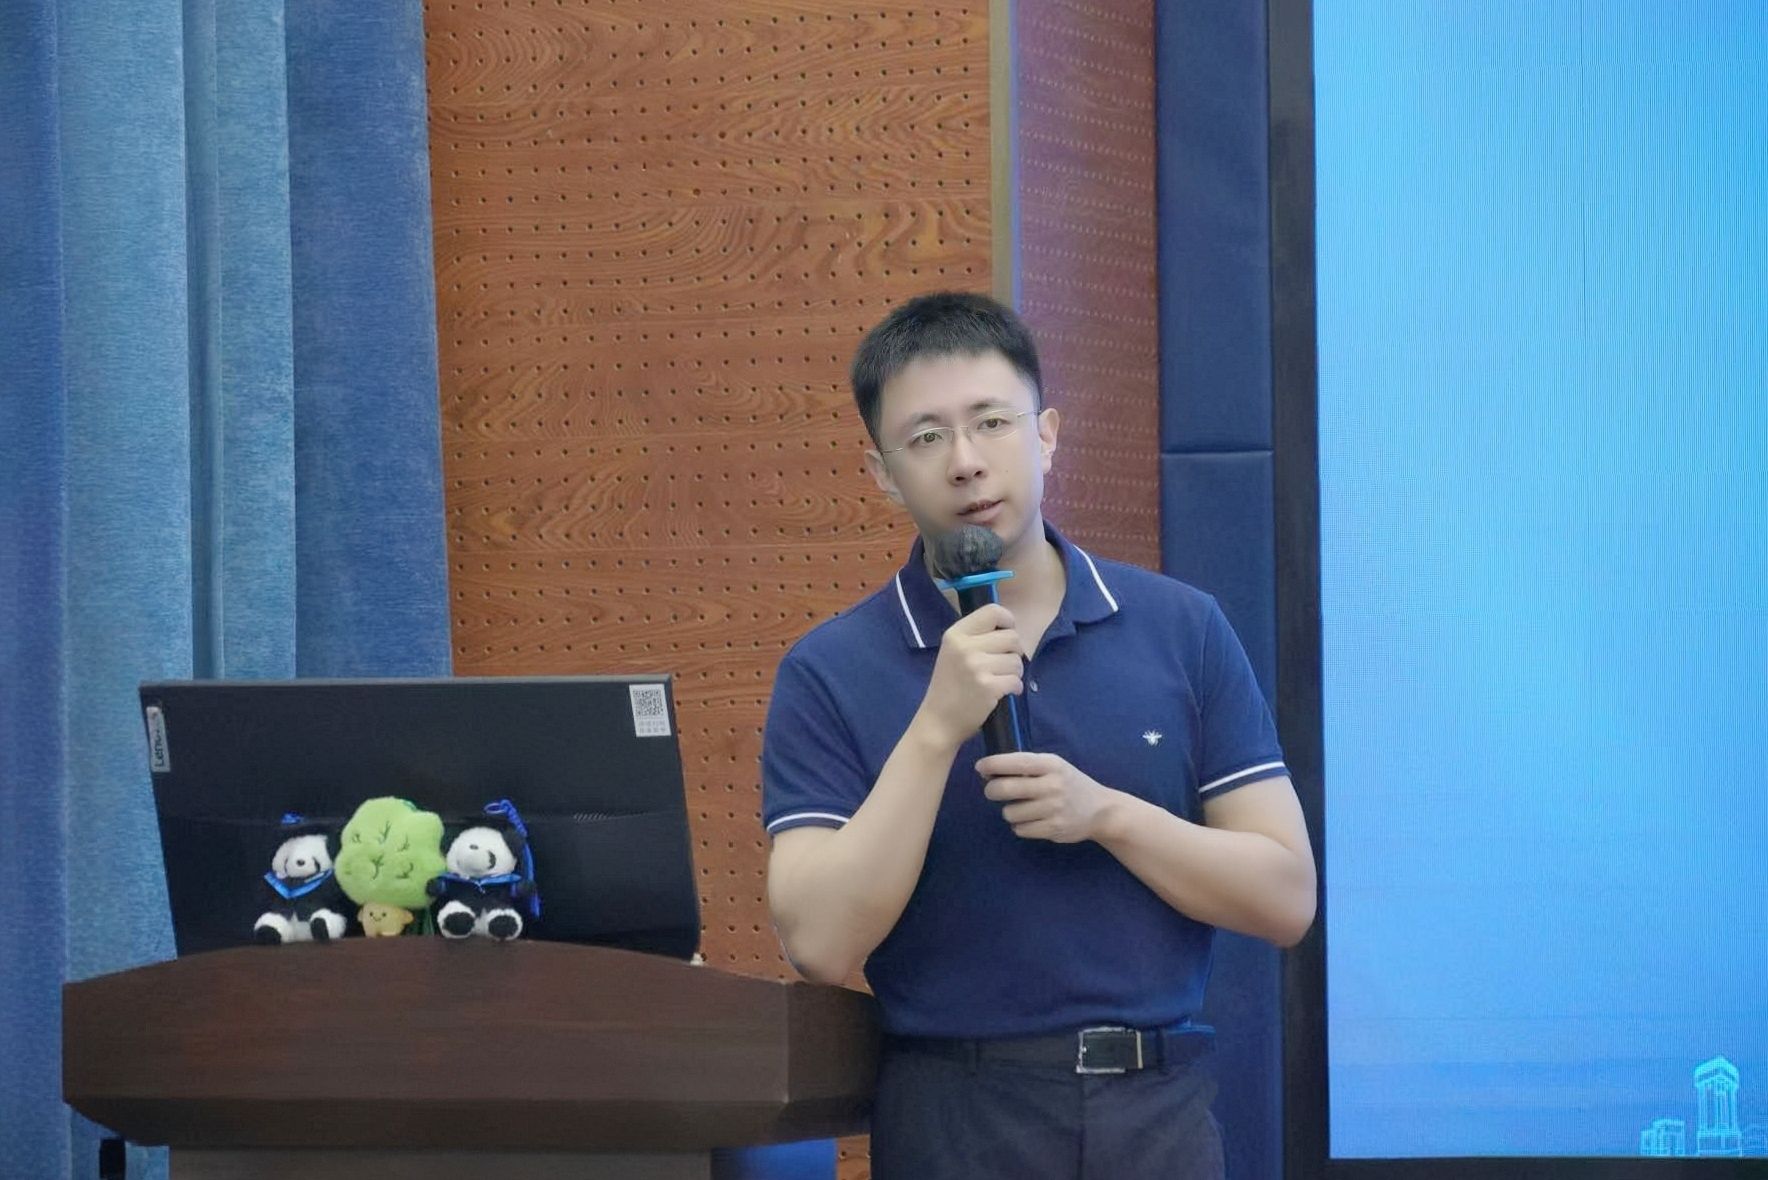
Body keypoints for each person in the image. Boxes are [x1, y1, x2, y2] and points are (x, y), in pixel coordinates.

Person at [760, 292, 1316, 1180]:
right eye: (926, 438)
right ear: (882, 474)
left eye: (992, 422)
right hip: (956, 1115)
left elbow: (1285, 898)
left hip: (1158, 1113)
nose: (966, 463)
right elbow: (820, 943)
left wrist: (1109, 815)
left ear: (1047, 435)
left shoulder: (1181, 628)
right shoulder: (830, 669)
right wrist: (936, 727)